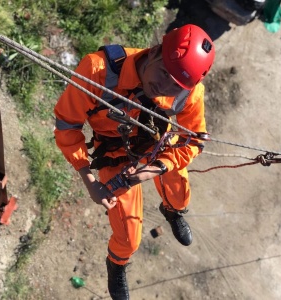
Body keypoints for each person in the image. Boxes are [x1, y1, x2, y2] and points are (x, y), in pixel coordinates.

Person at [54, 24, 215, 300]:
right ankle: (116, 265)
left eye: (175, 85)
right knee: (129, 236)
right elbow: (67, 126)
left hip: (158, 146)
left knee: (179, 194)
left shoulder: (189, 92)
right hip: (114, 151)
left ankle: (173, 211)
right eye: (164, 73)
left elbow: (194, 139)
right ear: (154, 52)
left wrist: (157, 167)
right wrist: (88, 178)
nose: (162, 87)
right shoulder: (98, 71)